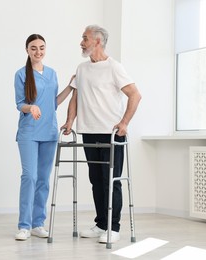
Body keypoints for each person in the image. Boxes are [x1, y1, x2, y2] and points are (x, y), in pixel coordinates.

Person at [62, 25, 142, 244]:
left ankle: (113, 228)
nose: (81, 42)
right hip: (88, 131)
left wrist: (124, 122)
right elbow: (75, 98)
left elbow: (135, 95)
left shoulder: (114, 67)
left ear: (98, 41)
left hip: (111, 134)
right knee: (95, 180)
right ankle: (101, 224)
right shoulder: (81, 68)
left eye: (85, 38)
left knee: (111, 181)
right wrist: (70, 121)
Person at [14, 34, 73, 241]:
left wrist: (70, 86)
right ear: (27, 50)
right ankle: (24, 225)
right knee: (29, 177)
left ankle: (38, 224)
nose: (38, 52)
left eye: (41, 48)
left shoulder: (52, 74)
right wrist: (32, 107)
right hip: (29, 132)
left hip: (49, 133)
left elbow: (54, 103)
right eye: (33, 48)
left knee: (43, 180)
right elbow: (19, 104)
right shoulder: (21, 74)